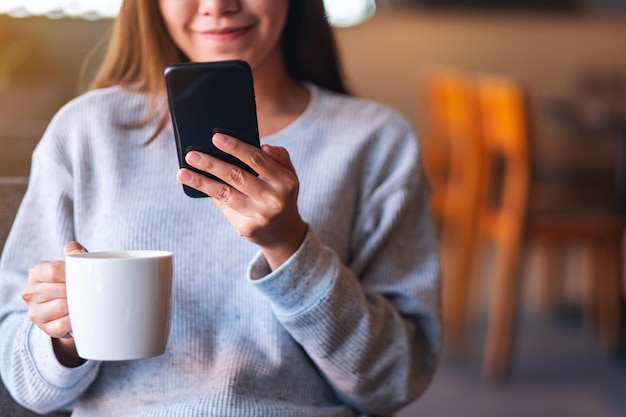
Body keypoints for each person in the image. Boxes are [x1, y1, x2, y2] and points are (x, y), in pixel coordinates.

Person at [0, 1, 441, 416]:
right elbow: (24, 380)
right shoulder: (86, 133)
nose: (217, 4)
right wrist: (66, 336)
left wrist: (290, 246)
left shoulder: (376, 142)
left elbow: (393, 381)